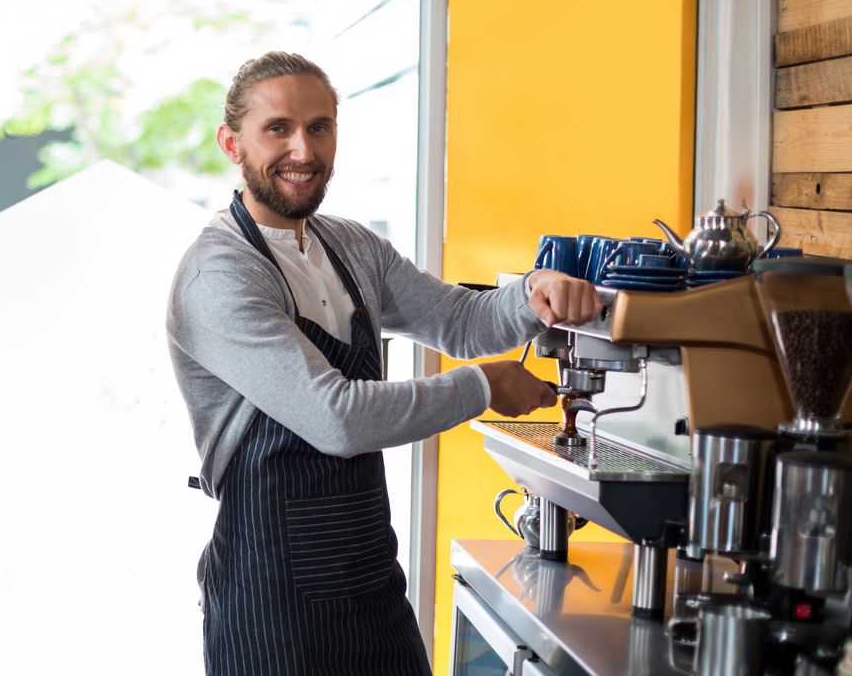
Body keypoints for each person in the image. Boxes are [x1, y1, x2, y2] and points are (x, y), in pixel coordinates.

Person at [166, 51, 603, 676]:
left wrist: (537, 293)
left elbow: (458, 320)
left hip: (367, 572)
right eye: (278, 129)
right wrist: (482, 388)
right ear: (231, 144)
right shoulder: (218, 276)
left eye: (319, 127)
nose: (303, 150)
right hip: (271, 598)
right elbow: (337, 418)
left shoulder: (352, 247)